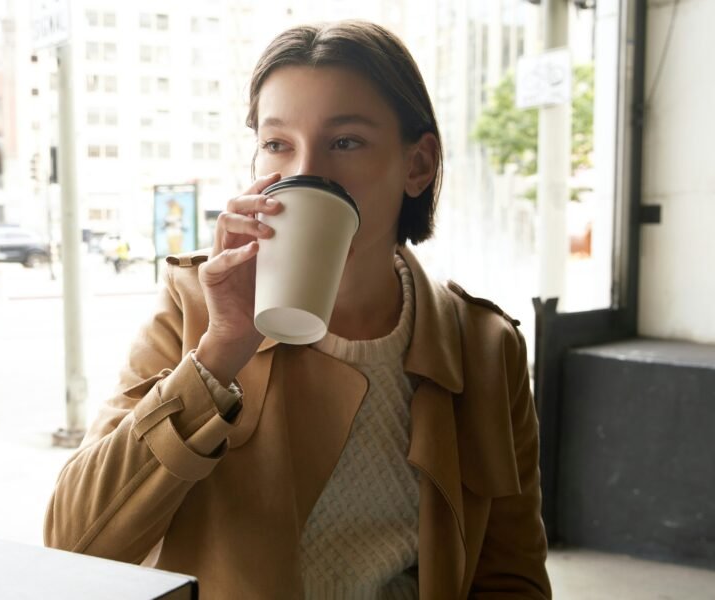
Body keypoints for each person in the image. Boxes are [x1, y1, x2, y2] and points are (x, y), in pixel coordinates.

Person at [44, 20, 550, 599]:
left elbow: (512, 577)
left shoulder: (483, 347)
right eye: (277, 144)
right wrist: (219, 354)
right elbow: (73, 542)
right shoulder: (196, 308)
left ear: (418, 165)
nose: (307, 171)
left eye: (346, 142)